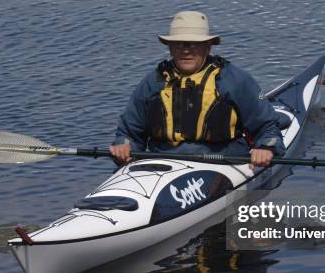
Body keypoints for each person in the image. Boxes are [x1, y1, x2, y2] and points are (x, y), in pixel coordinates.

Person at [109, 11, 286, 168]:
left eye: (193, 44)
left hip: (223, 162)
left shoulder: (234, 80)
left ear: (207, 47)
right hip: (162, 163)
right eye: (179, 44)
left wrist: (266, 148)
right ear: (170, 48)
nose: (186, 50)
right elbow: (128, 132)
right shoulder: (153, 82)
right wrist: (124, 147)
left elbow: (267, 127)